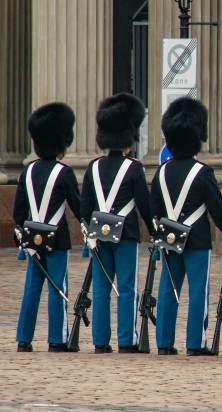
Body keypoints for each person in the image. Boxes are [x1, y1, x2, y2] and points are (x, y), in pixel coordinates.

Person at [81, 93, 154, 354]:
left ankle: (100, 341)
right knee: (127, 288)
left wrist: (87, 229)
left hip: (99, 233)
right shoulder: (133, 168)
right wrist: (154, 232)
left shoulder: (93, 167)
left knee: (101, 289)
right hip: (127, 233)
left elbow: (85, 205)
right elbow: (144, 206)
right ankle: (126, 340)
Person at [150, 97, 222, 356]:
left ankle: (164, 342)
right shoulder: (203, 172)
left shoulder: (161, 172)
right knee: (197, 291)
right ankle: (195, 343)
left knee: (168, 289)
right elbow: (217, 208)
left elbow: (154, 208)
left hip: (170, 238)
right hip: (197, 239)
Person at [14, 103, 80, 352]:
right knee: (56, 287)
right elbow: (77, 206)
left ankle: (23, 339)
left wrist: (21, 235)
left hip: (32, 238)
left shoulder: (27, 172)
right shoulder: (64, 172)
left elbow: (19, 211)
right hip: (58, 238)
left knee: (31, 288)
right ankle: (56, 339)